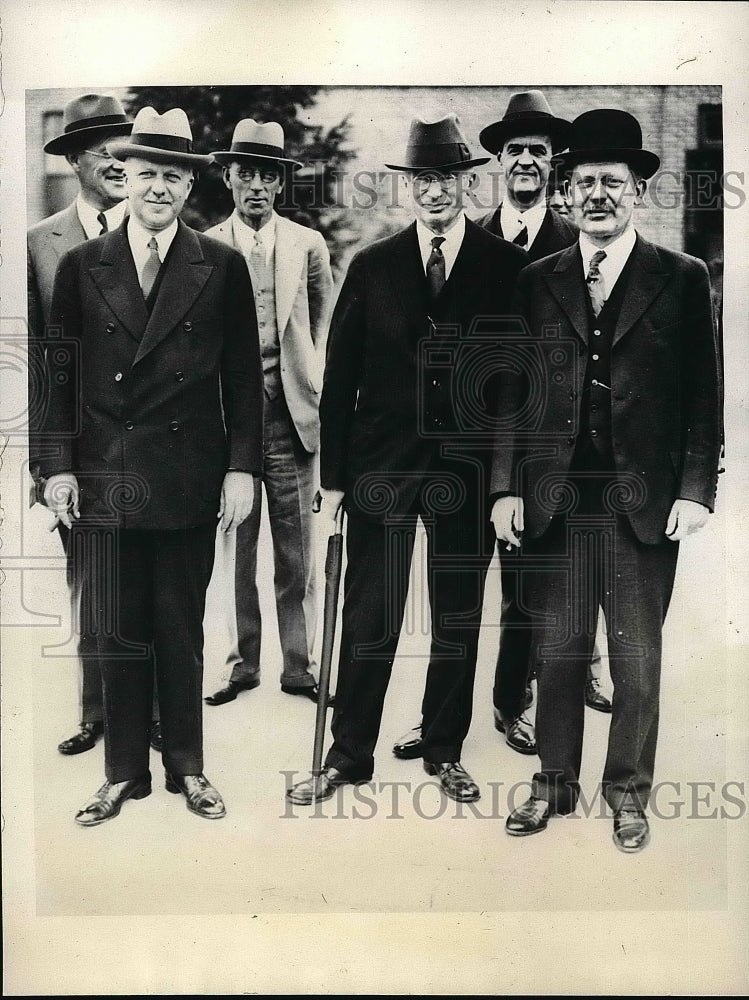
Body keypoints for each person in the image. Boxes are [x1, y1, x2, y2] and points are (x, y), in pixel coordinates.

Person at [492, 109, 722, 852]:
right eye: (584, 182)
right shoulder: (536, 281)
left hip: (643, 501)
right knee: (556, 650)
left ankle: (627, 792)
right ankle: (551, 784)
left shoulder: (682, 278)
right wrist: (503, 488)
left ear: (637, 192)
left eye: (612, 183)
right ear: (565, 193)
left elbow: (700, 396)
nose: (597, 194)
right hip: (554, 497)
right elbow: (511, 393)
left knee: (634, 657)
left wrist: (694, 490)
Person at [288, 115, 527, 805]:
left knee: (456, 613)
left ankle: (445, 749)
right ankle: (347, 755)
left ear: (463, 183)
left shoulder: (503, 267)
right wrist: (333, 481)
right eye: (422, 180)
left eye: (446, 179)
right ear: (408, 188)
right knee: (370, 614)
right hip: (380, 470)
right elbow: (340, 380)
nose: (433, 191)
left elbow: (514, 384)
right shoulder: (372, 263)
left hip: (466, 472)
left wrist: (503, 482)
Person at [39, 107, 263, 825]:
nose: (158, 187)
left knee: (180, 626)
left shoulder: (222, 264)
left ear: (190, 185)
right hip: (104, 476)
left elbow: (242, 380)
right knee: (114, 629)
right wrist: (58, 470)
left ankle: (188, 769)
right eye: (147, 173)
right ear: (123, 178)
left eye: (173, 175)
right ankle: (120, 774)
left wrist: (241, 470)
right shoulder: (81, 266)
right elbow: (59, 379)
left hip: (188, 478)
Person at [26, 93, 164, 755]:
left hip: (158, 450)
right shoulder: (40, 245)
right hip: (82, 452)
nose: (118, 159)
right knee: (91, 584)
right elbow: (41, 367)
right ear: (74, 159)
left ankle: (157, 711)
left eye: (126, 147)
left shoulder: (159, 234)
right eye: (103, 148)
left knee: (157, 586)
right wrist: (50, 466)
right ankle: (97, 712)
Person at [203, 119, 334, 707]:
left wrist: (312, 381)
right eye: (245, 173)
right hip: (230, 425)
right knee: (237, 544)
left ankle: (300, 665)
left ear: (280, 184)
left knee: (296, 550)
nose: (256, 185)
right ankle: (241, 663)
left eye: (267, 175)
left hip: (291, 419)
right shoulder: (204, 244)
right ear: (228, 177)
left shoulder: (306, 244)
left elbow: (323, 321)